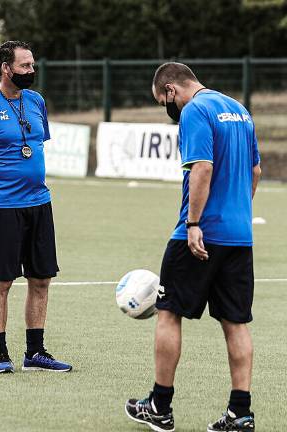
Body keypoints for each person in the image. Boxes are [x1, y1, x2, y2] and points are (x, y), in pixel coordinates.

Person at [124, 62, 261, 432]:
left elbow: (201, 167)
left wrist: (195, 223)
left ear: (171, 90)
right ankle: (240, 413)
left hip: (199, 234)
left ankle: (160, 406)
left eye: (162, 102)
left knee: (168, 313)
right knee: (236, 323)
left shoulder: (195, 111)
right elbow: (255, 171)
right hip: (238, 235)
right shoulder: (239, 109)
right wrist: (239, 212)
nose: (167, 109)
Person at [0, 40, 72, 374]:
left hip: (39, 203)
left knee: (41, 280)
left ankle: (35, 353)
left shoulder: (36, 102)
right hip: (3, 207)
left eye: (32, 65)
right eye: (24, 66)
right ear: (6, 68)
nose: (31, 71)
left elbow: (35, 147)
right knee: (2, 282)